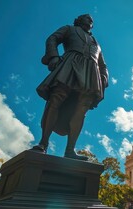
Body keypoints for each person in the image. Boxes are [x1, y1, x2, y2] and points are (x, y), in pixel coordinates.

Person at [31, 14, 109, 160]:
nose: (90, 20)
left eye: (92, 20)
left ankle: (70, 150)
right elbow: (52, 39)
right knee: (56, 99)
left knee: (81, 110)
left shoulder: (96, 43)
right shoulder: (69, 29)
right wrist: (54, 56)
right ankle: (43, 144)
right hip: (70, 65)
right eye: (87, 18)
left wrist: (103, 79)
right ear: (78, 20)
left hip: (90, 73)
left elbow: (103, 65)